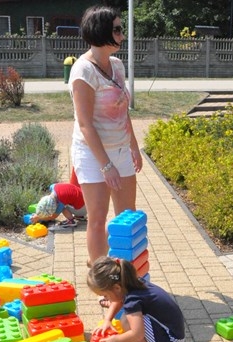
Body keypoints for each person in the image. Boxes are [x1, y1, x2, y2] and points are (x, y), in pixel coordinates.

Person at [69, 5, 142, 266]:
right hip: (93, 155)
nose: (122, 35)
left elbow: (123, 111)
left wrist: (134, 146)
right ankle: (101, 274)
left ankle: (125, 273)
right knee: (98, 219)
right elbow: (85, 124)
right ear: (101, 32)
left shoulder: (117, 66)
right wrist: (106, 165)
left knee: (127, 217)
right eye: (117, 30)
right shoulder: (83, 71)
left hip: (121, 150)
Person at [87, 256, 187, 342]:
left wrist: (116, 340)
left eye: (106, 295)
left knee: (126, 320)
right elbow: (118, 300)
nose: (106, 299)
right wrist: (107, 320)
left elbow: (137, 334)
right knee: (130, 317)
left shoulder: (132, 299)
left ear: (117, 287)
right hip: (174, 339)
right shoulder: (132, 283)